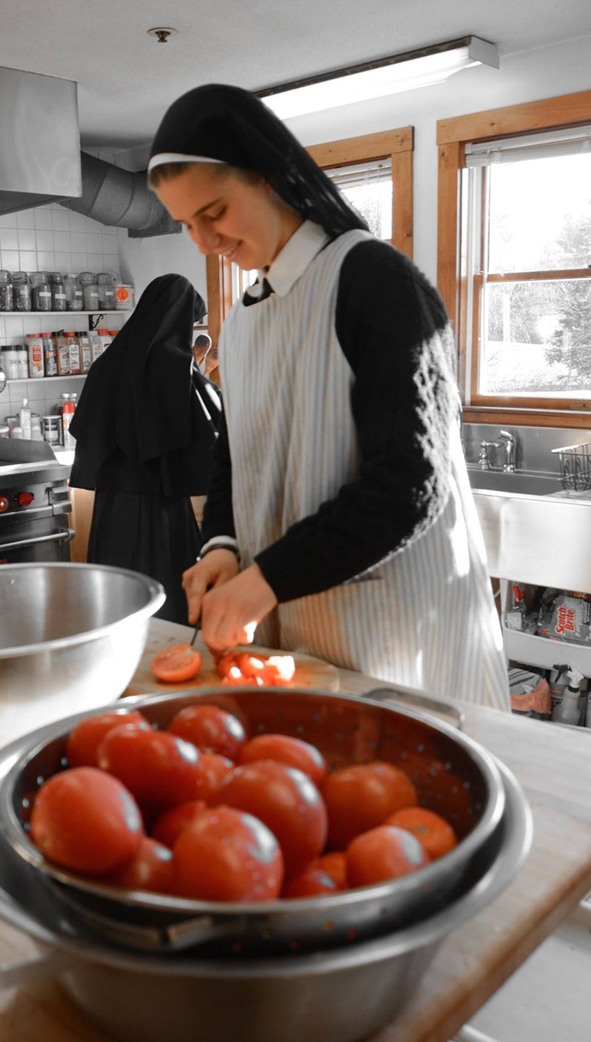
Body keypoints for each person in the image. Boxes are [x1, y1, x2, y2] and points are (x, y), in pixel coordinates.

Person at [147, 83, 509, 710]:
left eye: (214, 213)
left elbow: (410, 482)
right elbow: (235, 462)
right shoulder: (244, 321)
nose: (204, 241)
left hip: (400, 638)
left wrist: (267, 580)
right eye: (185, 225)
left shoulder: (374, 281)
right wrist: (225, 549)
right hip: (304, 647)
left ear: (269, 178)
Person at [69, 273, 219, 625]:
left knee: (117, 596)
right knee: (164, 595)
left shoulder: (108, 362)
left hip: (112, 503)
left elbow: (89, 428)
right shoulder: (176, 366)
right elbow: (212, 428)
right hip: (162, 503)